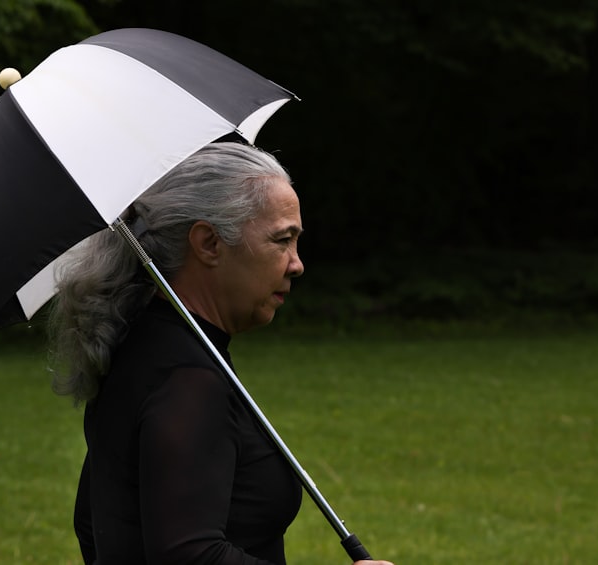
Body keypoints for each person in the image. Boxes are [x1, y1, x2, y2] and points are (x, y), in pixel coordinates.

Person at [48, 142, 392, 565]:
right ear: (209, 243)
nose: (296, 264)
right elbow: (190, 555)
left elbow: (95, 524)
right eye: (282, 240)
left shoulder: (139, 350)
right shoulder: (187, 381)